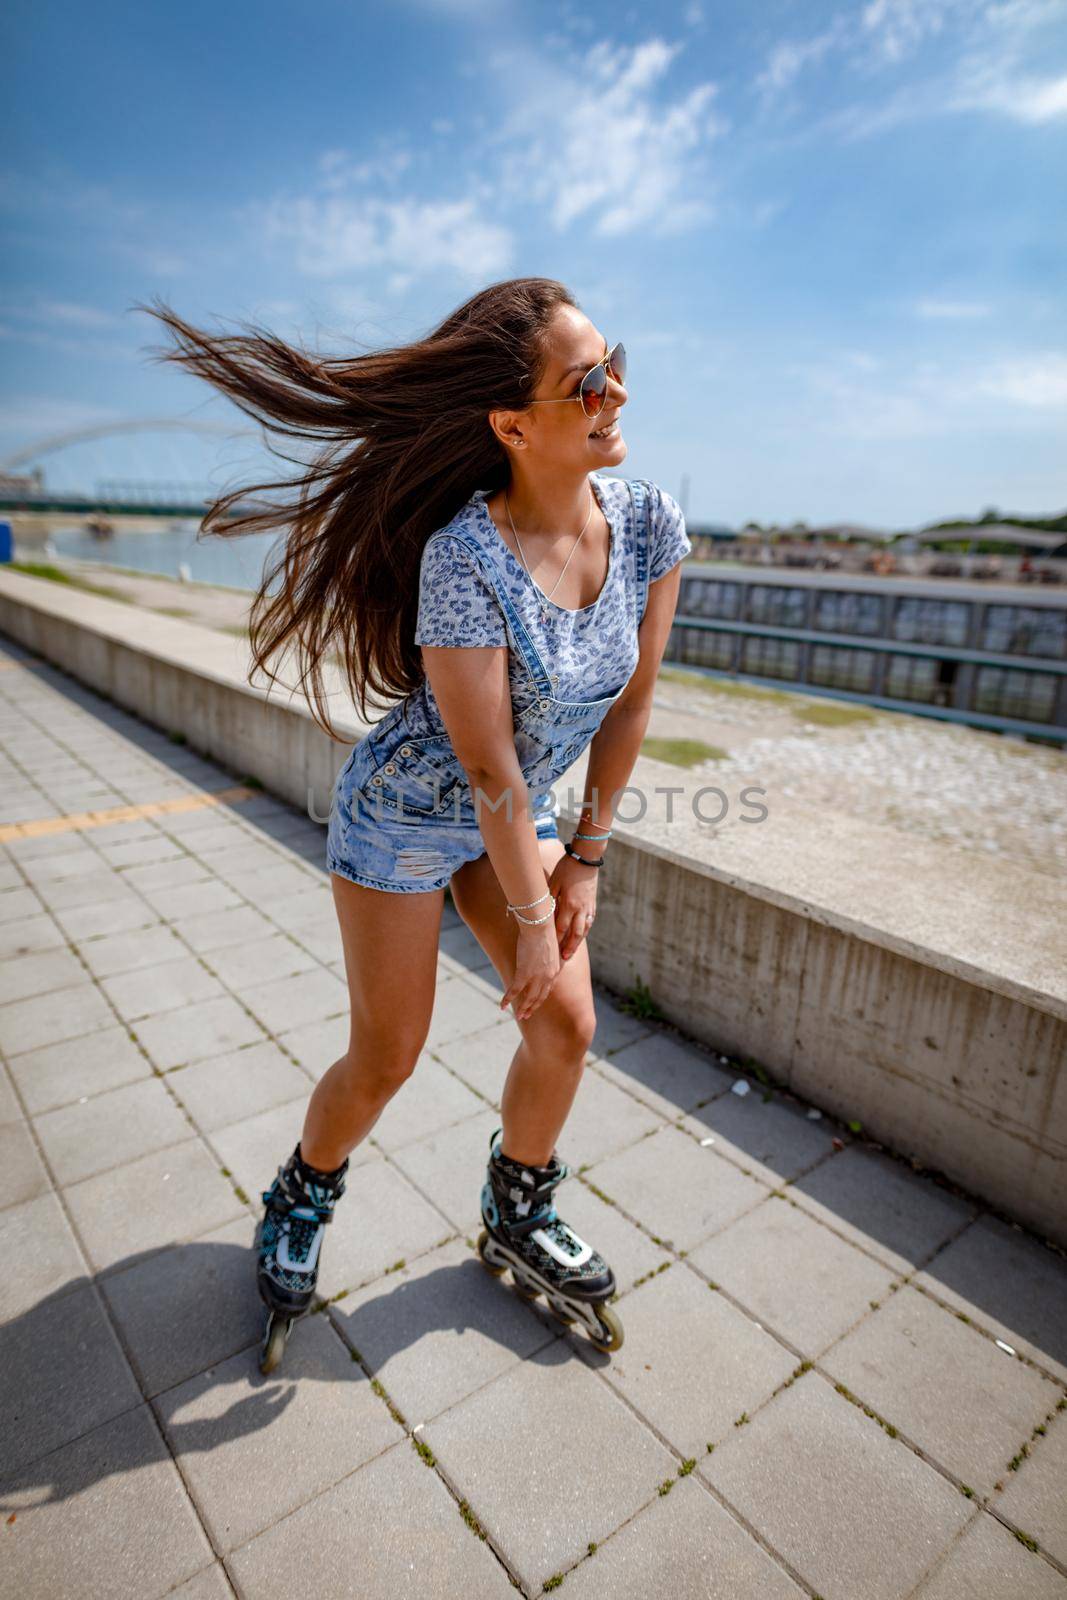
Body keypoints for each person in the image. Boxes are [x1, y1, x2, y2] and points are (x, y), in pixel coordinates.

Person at [137, 278, 691, 1363]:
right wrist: (531, 915)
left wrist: (585, 860)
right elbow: (486, 767)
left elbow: (632, 700)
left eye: (612, 360)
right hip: (406, 816)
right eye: (587, 381)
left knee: (566, 1026)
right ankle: (303, 1190)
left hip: (515, 821)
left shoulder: (647, 527)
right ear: (513, 424)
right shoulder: (462, 557)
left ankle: (516, 1202)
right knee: (388, 1054)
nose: (616, 389)